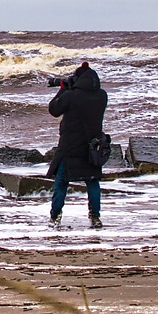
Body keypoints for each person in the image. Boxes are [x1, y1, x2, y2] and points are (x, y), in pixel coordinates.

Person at [47, 61, 108, 228]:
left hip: (70, 146)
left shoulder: (71, 95)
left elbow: (54, 109)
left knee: (61, 182)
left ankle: (55, 217)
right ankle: (95, 217)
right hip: (91, 147)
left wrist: (62, 88)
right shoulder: (102, 95)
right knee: (93, 182)